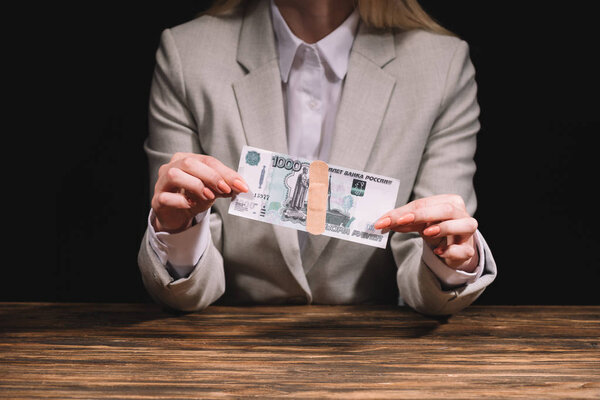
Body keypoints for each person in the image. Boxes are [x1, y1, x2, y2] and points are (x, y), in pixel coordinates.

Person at [137, 0, 498, 315]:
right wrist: (176, 231)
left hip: (375, 355)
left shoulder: (441, 65)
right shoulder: (187, 54)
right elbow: (184, 292)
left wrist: (451, 260)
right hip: (226, 352)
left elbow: (430, 284)